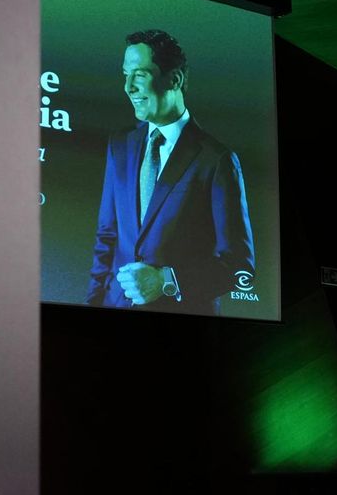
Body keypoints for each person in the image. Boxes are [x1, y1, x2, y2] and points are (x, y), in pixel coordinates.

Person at [86, 29, 255, 313]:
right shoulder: (120, 145)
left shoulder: (217, 160)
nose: (128, 87)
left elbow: (239, 266)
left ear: (174, 79)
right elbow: (107, 237)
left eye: (140, 75)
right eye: (125, 75)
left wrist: (166, 281)